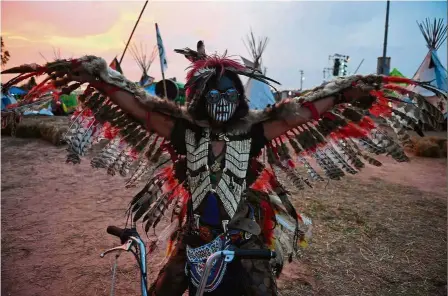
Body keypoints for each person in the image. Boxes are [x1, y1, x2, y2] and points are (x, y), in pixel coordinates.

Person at [2, 50, 445, 295]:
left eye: (229, 90)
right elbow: (135, 107)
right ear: (197, 96)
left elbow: (303, 111)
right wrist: (98, 77)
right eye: (213, 90)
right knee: (166, 287)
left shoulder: (256, 132)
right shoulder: (178, 129)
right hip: (194, 237)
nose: (221, 97)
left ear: (240, 97)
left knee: (260, 291)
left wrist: (346, 90)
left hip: (243, 237)